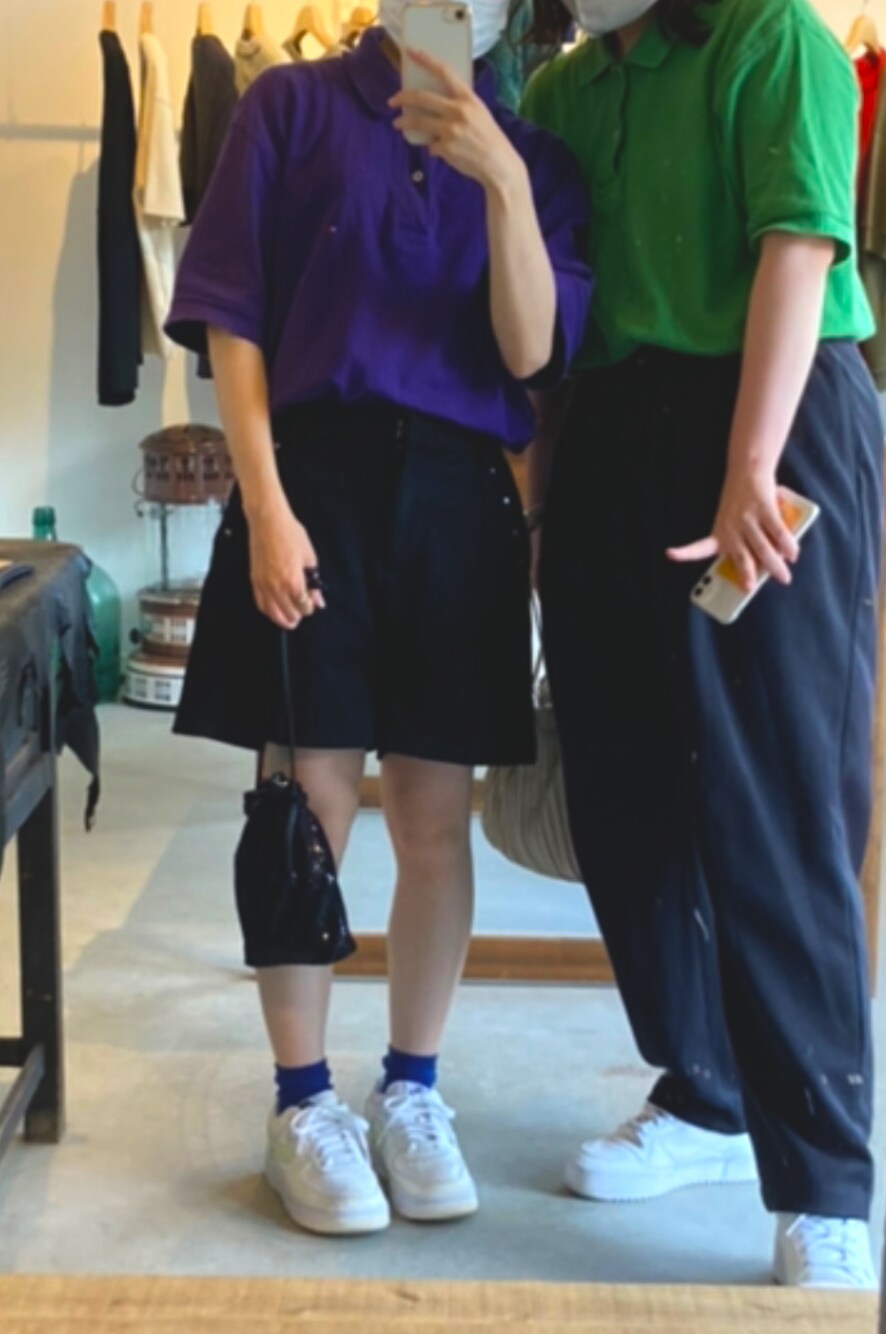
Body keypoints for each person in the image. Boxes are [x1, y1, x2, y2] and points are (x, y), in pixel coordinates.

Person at [165, 1, 590, 1236]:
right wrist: (265, 502)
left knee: (435, 816)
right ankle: (301, 1099)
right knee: (304, 807)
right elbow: (232, 321)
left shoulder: (536, 155)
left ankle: (412, 1085)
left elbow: (531, 351)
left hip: (461, 496)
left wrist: (499, 177)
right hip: (313, 482)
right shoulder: (289, 108)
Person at [521, 0, 883, 1289]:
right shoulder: (560, 90)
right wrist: (539, 501)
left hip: (771, 411)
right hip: (612, 426)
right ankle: (708, 1088)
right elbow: (550, 315)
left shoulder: (769, 36)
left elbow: (800, 245)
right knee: (619, 787)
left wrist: (749, 461)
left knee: (775, 798)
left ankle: (826, 1174)